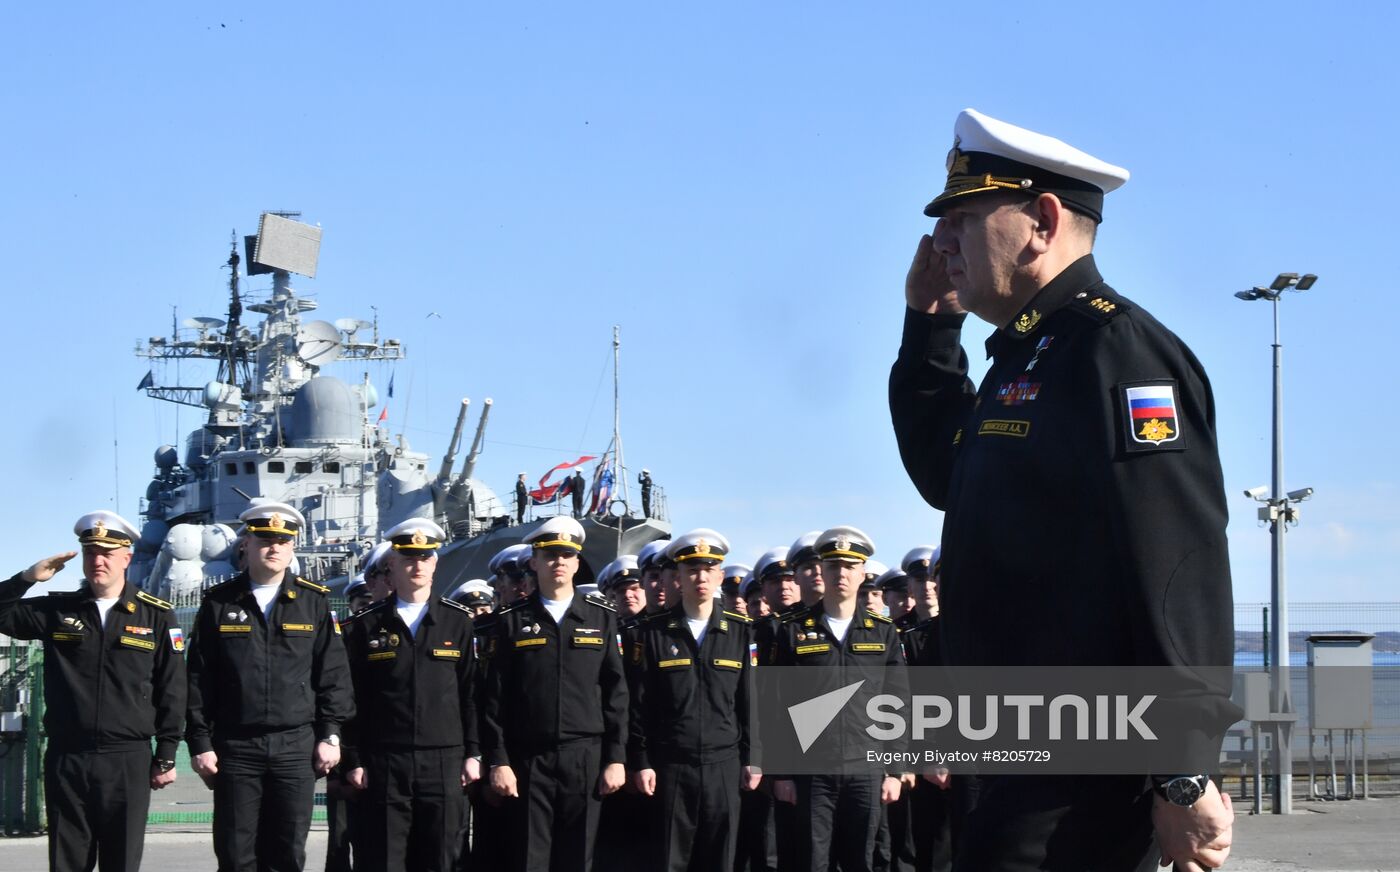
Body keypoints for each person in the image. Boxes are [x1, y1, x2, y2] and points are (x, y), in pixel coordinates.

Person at [889, 108, 1238, 871]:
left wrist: (1184, 773)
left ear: (1043, 220)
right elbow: (943, 474)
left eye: (964, 216)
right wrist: (931, 332)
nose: (940, 240)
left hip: (1080, 784)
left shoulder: (1117, 353)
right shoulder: (1025, 358)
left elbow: (1176, 569)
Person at [0, 511, 185, 872]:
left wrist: (165, 753)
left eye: (107, 553)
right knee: (67, 862)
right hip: (69, 756)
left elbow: (172, 687)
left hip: (126, 758)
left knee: (122, 861)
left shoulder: (155, 616)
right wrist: (25, 579)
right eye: (90, 553)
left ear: (126, 558)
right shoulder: (58, 610)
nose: (97, 561)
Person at [185, 500, 354, 872]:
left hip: (295, 747)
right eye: (264, 539)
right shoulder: (219, 603)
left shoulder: (313, 603)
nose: (273, 547)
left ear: (292, 545)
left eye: (282, 539)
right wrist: (200, 743)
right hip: (236, 746)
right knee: (234, 853)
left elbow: (333, 676)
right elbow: (198, 679)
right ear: (247, 543)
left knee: (288, 852)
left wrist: (330, 735)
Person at [479, 516, 629, 872]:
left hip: (586, 757)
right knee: (529, 857)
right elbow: (494, 698)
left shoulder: (601, 618)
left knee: (579, 859)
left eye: (566, 554)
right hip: (529, 758)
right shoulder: (511, 620)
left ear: (577, 561)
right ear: (534, 562)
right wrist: (499, 761)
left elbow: (616, 694)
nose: (558, 561)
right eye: (549, 554)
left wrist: (616, 758)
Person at [342, 518, 480, 872]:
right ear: (392, 566)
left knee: (443, 857)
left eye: (424, 557)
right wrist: (354, 758)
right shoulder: (365, 625)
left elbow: (471, 693)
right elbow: (351, 698)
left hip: (445, 760)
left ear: (435, 563)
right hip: (386, 760)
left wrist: (474, 753)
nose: (416, 565)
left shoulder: (458, 622)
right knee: (384, 857)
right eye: (407, 558)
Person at [771, 526, 908, 872]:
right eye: (833, 566)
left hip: (867, 767)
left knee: (862, 859)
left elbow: (898, 703)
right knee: (811, 861)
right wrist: (782, 773)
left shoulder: (883, 631)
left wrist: (895, 769)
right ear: (822, 571)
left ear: (863, 574)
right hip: (813, 769)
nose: (841, 574)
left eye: (849, 566)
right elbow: (775, 707)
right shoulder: (793, 631)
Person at [626, 529, 761, 872]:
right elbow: (639, 705)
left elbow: (751, 702)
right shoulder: (652, 633)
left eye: (708, 569)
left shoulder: (741, 632)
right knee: (669, 859)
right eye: (691, 570)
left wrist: (753, 757)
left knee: (720, 858)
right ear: (678, 578)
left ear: (719, 575)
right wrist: (641, 760)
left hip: (724, 765)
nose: (700, 577)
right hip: (671, 765)